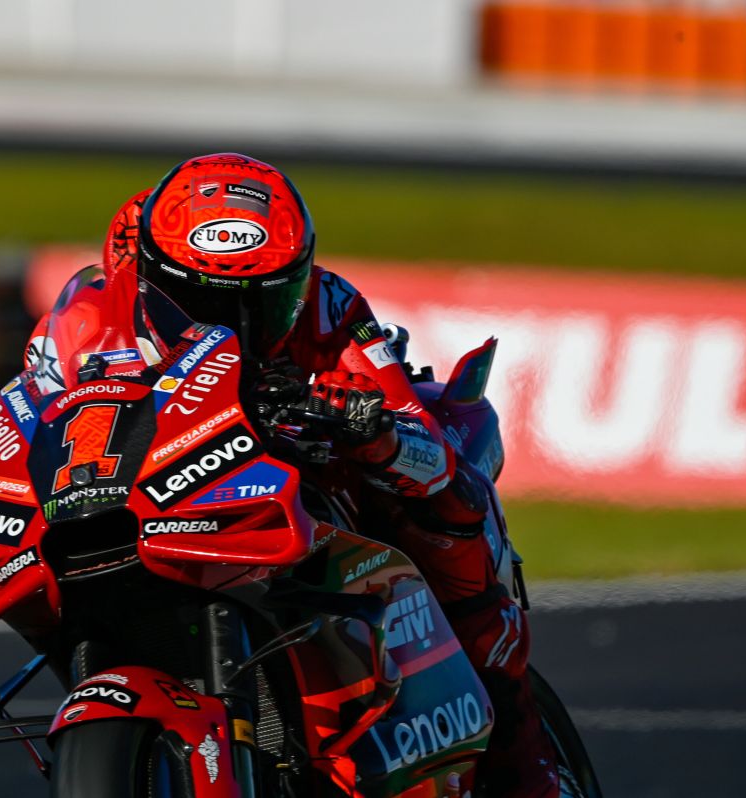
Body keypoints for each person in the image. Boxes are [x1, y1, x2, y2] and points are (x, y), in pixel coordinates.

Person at [95, 152, 559, 796]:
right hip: (155, 491)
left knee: (452, 505)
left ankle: (527, 761)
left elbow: (422, 441)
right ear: (148, 278)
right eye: (200, 302)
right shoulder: (96, 310)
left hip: (302, 483)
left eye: (265, 301)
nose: (237, 327)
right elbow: (33, 408)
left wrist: (373, 431)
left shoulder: (332, 305)